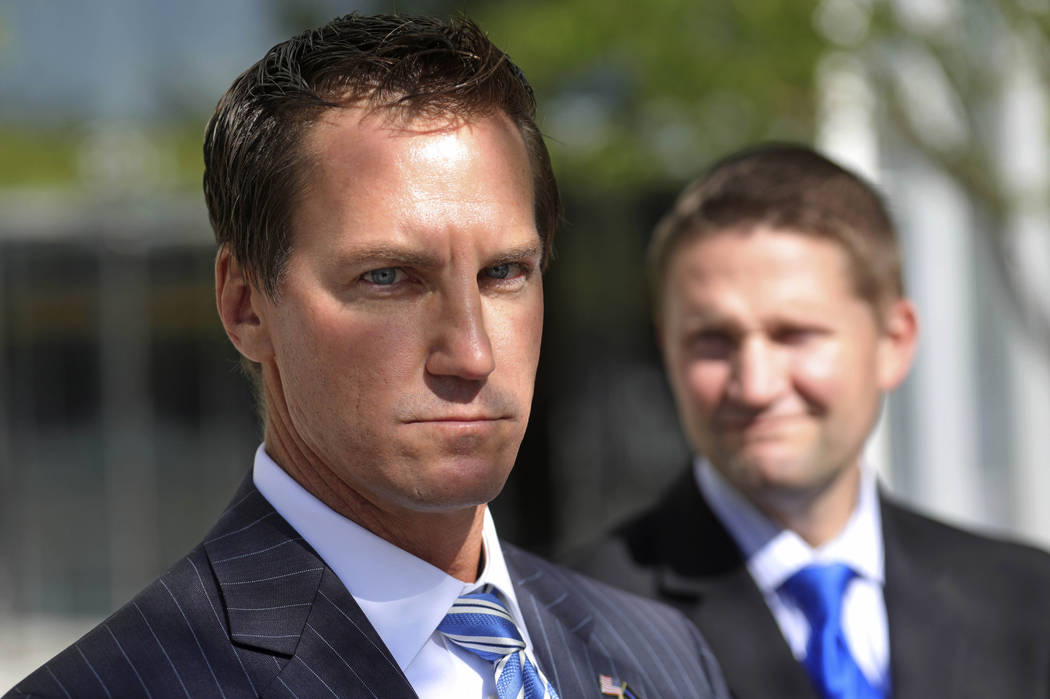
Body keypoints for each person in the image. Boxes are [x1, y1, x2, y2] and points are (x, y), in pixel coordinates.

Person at [6, 14, 729, 699]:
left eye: (505, 272)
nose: (472, 353)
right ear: (245, 305)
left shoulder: (662, 654)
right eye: (388, 277)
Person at [570, 144, 1050, 699]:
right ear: (667, 348)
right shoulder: (578, 626)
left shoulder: (1027, 602)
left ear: (893, 343)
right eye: (712, 341)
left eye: (795, 334)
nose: (755, 385)